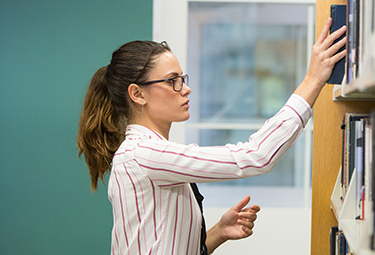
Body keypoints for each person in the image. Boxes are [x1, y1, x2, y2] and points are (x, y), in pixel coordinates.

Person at [77, 18, 346, 255]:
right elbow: (255, 156)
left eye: (182, 77)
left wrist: (217, 232)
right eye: (173, 81)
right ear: (138, 94)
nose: (186, 89)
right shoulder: (143, 155)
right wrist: (312, 79)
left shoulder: (149, 153)